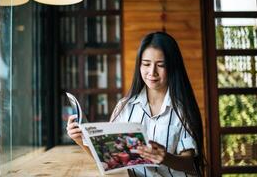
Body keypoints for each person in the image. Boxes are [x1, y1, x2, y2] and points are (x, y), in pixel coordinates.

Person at [67, 32, 204, 176]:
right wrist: (78, 138)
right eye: (146, 64)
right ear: (139, 65)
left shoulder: (183, 110)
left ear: (172, 67)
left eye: (161, 65)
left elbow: (190, 164)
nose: (152, 72)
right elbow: (109, 160)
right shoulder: (124, 107)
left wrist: (165, 157)